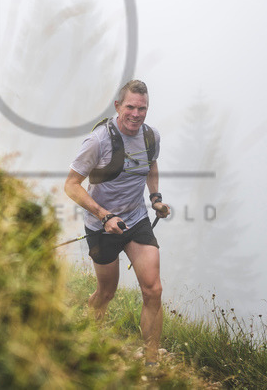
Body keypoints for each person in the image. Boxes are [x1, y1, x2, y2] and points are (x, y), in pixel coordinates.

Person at [64, 79, 170, 365]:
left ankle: (151, 361)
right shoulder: (98, 141)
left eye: (142, 108)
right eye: (131, 107)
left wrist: (156, 198)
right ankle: (88, 337)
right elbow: (72, 185)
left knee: (153, 289)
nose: (136, 114)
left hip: (136, 220)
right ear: (118, 106)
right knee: (106, 292)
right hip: (102, 226)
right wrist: (104, 215)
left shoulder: (151, 137)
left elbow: (152, 165)